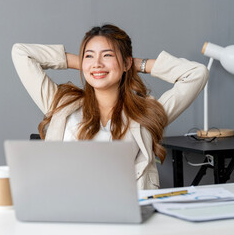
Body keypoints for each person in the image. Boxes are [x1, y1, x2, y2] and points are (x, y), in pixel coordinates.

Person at [11, 24, 209, 189]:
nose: (97, 63)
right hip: (64, 209)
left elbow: (197, 73)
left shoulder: (146, 113)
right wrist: (90, 64)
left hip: (125, 214)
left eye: (107, 55)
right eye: (89, 56)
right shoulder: (62, 104)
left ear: (126, 63)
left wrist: (133, 64)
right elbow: (21, 53)